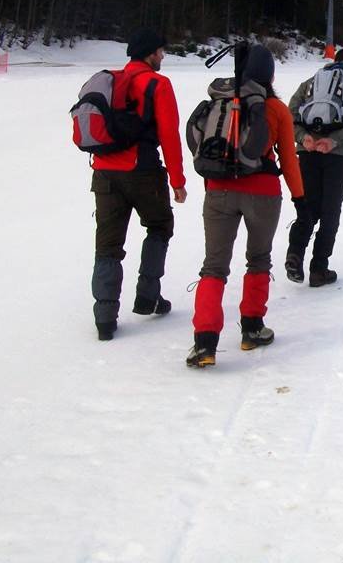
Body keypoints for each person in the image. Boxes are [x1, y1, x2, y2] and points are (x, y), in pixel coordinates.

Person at [187, 43, 305, 368]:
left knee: (213, 266)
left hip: (219, 190)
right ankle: (252, 329)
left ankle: (204, 343)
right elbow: (289, 159)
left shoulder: (221, 102)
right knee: (259, 259)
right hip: (263, 193)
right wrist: (299, 196)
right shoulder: (276, 108)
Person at [90, 28, 187, 341]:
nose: (162, 57)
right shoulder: (158, 84)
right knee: (159, 226)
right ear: (150, 54)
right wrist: (178, 180)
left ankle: (104, 318)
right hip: (143, 172)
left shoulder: (109, 80)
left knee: (107, 244)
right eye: (160, 51)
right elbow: (169, 135)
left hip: (103, 172)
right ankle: (148, 296)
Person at [285, 48, 343, 288]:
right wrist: (333, 141)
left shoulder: (310, 82)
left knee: (308, 206)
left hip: (308, 152)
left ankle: (295, 253)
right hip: (339, 156)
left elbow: (290, 114)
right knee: (330, 210)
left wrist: (304, 137)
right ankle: (319, 269)